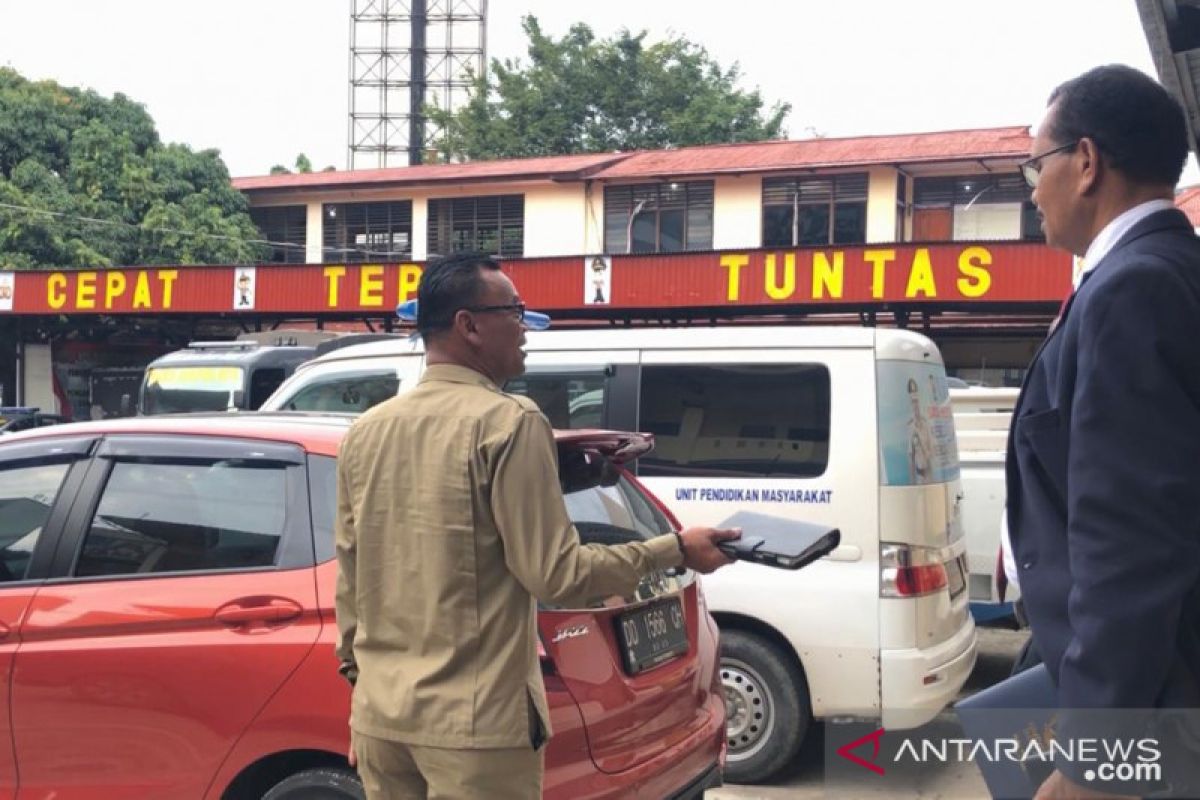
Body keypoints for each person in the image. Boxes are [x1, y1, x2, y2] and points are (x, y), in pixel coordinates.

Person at [334, 251, 740, 799]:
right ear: (468, 326)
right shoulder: (508, 421)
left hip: (381, 718)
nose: (525, 327)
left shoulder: (366, 431)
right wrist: (675, 550)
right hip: (475, 727)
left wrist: (361, 698)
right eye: (514, 310)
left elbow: (352, 578)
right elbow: (558, 574)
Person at [1007, 65, 1200, 799]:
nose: (1032, 187)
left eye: (1037, 163)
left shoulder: (1134, 289)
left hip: (1155, 716)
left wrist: (1097, 755)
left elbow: (1133, 538)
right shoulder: (1169, 271)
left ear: (1085, 163)